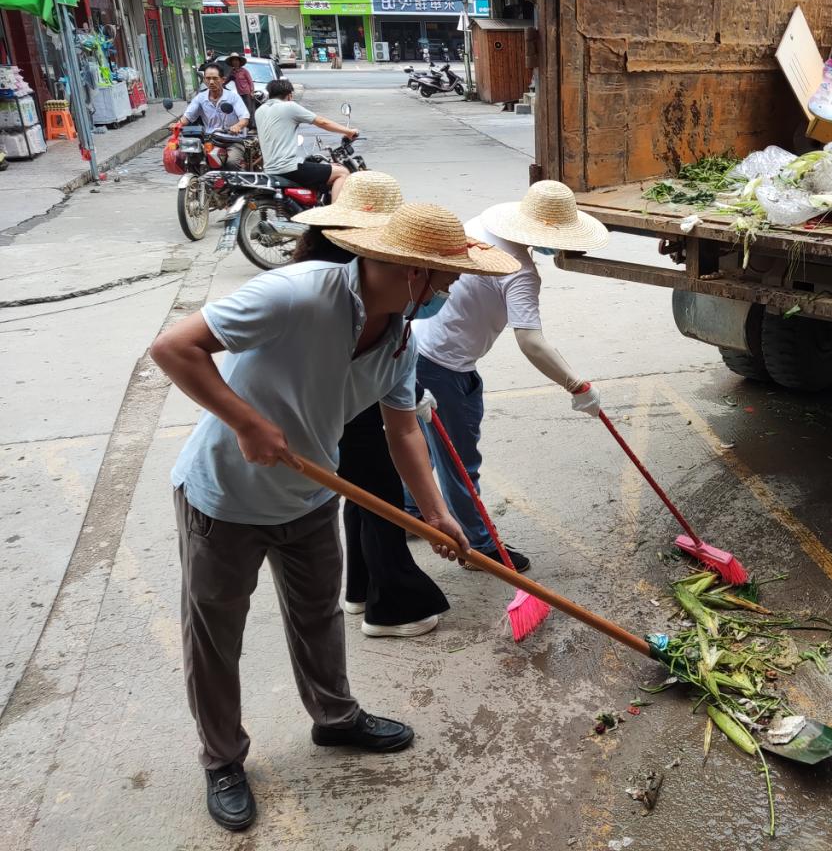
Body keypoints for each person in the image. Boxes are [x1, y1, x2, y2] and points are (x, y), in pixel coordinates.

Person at [150, 201, 518, 832]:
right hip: (225, 500)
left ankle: (335, 717)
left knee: (319, 616)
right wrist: (247, 421)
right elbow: (173, 347)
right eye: (446, 280)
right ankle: (222, 759)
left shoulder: (400, 333)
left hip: (312, 498)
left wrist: (435, 516)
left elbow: (403, 431)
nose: (450, 292)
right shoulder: (299, 294)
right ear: (410, 273)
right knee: (215, 638)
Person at [413, 180, 610, 571]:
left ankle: (409, 509)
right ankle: (480, 548)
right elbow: (531, 342)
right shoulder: (519, 271)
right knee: (459, 461)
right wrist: (577, 385)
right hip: (446, 365)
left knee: (418, 437)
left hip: (415, 348)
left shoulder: (478, 225)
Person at [293, 172, 451, 638]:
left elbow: (399, 418)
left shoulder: (375, 295)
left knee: (364, 492)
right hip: (329, 424)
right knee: (378, 494)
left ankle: (360, 589)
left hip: (350, 412)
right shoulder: (321, 288)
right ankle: (392, 603)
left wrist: (403, 386)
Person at [255, 78, 358, 202]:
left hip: (270, 168)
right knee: (342, 172)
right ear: (289, 95)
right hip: (289, 168)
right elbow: (321, 122)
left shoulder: (259, 111)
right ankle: (335, 216)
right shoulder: (288, 106)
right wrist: (348, 132)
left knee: (323, 169)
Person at [175, 64, 250, 168]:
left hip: (232, 140)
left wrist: (238, 126)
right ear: (204, 80)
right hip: (210, 140)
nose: (211, 82)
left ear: (223, 80)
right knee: (192, 158)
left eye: (215, 78)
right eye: (208, 78)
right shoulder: (200, 98)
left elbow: (244, 118)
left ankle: (240, 183)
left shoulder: (233, 97)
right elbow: (187, 116)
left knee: (232, 162)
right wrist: (178, 124)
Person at [224, 52, 256, 124]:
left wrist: (252, 92)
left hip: (247, 93)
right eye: (233, 61)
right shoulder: (232, 72)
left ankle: (252, 126)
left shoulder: (244, 71)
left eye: (236, 60)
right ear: (231, 62)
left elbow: (250, 82)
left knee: (249, 109)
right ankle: (244, 125)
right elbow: (225, 81)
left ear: (239, 62)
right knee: (241, 110)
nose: (235, 62)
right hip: (239, 94)